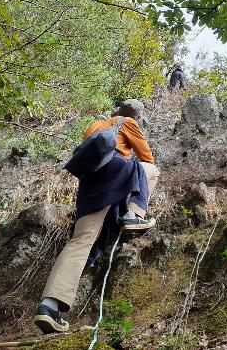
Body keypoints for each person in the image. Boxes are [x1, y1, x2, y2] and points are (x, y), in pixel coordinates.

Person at [34, 99, 159, 334]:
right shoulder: (127, 122)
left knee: (81, 240)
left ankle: (49, 306)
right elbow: (147, 158)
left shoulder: (94, 127)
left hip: (89, 184)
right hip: (116, 171)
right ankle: (134, 214)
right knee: (150, 170)